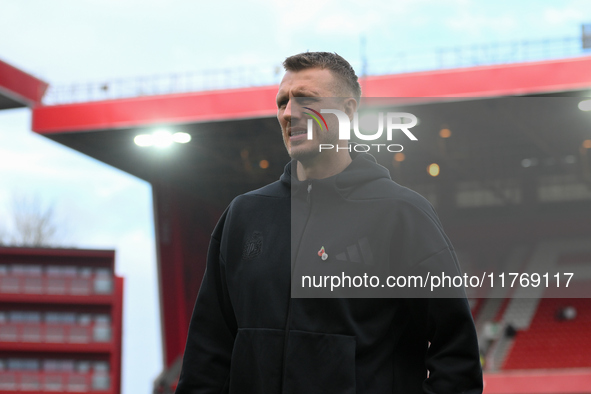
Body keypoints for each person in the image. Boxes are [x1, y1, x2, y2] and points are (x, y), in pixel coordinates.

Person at [175, 52, 483, 393]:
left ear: (348, 111)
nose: (289, 113)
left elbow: (457, 359)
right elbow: (207, 353)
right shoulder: (243, 215)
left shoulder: (402, 214)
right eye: (282, 102)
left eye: (307, 100)